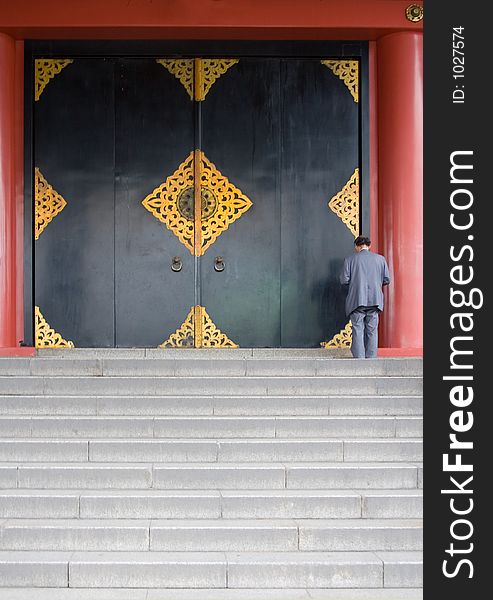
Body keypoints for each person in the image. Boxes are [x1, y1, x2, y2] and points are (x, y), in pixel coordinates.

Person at [340, 235, 390, 359]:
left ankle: (359, 358)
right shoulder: (380, 259)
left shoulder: (350, 259)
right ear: (369, 245)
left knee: (357, 328)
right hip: (375, 300)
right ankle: (371, 358)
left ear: (357, 246)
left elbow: (344, 280)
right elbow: (386, 279)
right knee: (372, 330)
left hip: (357, 299)